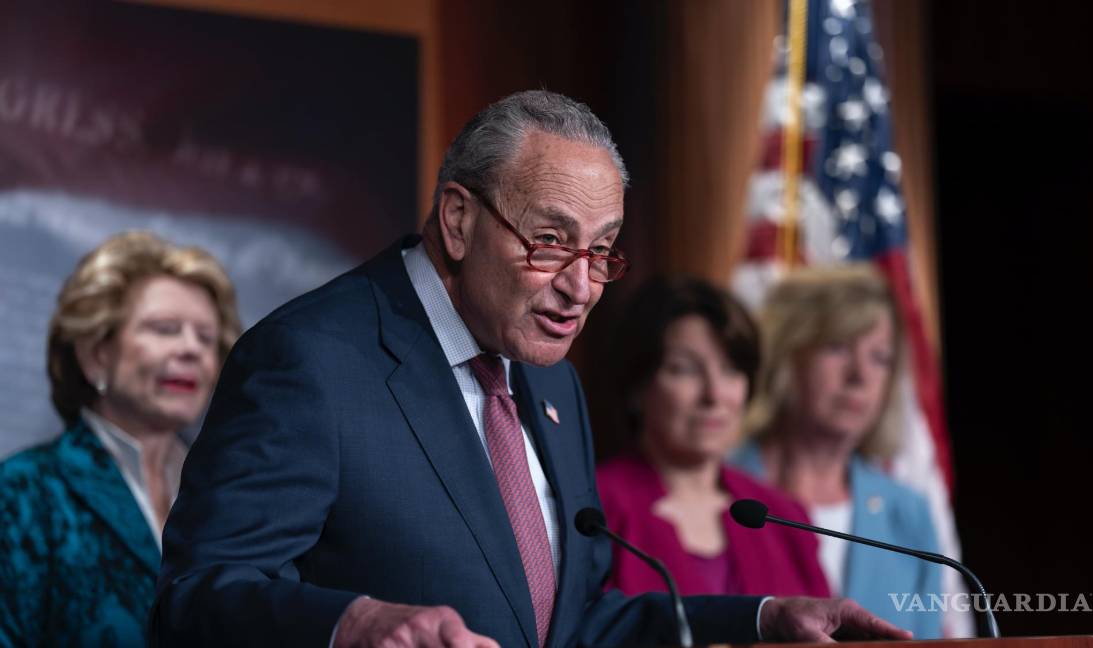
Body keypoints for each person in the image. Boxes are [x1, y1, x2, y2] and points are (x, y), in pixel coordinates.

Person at [152, 90, 913, 648]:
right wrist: (351, 623)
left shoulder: (549, 379)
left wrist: (758, 620)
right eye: (550, 242)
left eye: (601, 250)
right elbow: (196, 598)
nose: (581, 288)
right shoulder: (312, 361)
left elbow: (572, 623)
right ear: (458, 220)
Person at [0, 231, 242, 647]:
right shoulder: (23, 491)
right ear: (96, 353)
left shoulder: (233, 497)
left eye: (206, 337)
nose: (192, 349)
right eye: (165, 329)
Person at [730, 264, 945, 638]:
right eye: (838, 347)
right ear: (788, 354)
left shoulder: (908, 513)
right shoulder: (721, 493)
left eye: (879, 357)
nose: (860, 376)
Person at [595, 276, 830, 599]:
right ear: (638, 387)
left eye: (731, 370)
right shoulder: (597, 511)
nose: (715, 395)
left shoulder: (785, 517)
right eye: (685, 369)